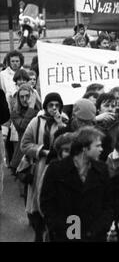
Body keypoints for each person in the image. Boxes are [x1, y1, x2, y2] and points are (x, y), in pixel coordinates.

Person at [40, 126, 113, 242]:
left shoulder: (102, 169)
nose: (101, 150)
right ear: (84, 148)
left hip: (95, 236)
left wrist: (99, 228)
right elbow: (47, 203)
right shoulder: (56, 169)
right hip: (64, 236)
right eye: (98, 146)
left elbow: (109, 204)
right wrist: (60, 228)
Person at [20, 92, 67, 242]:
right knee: (38, 207)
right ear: (46, 106)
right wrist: (42, 151)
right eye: (51, 105)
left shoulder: (65, 121)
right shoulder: (36, 122)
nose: (54, 108)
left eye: (57, 105)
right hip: (40, 167)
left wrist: (60, 124)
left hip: (58, 168)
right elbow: (25, 145)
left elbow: (68, 143)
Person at [10, 84, 41, 171]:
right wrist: (30, 107)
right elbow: (22, 127)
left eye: (27, 96)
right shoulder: (15, 113)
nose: (24, 99)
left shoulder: (40, 111)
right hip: (22, 155)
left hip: (38, 151)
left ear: (32, 96)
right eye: (21, 97)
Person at [95, 93, 119, 162]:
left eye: (113, 106)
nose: (110, 109)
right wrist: (95, 120)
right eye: (106, 106)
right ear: (98, 109)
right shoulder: (92, 125)